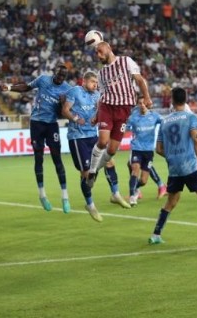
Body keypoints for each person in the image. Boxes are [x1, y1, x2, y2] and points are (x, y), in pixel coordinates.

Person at [148, 88, 197, 246]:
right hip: (190, 165)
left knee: (171, 201)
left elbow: (159, 149)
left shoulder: (164, 121)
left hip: (174, 168)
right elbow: (196, 140)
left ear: (172, 101)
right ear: (186, 99)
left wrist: (172, 157)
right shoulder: (191, 117)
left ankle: (156, 234)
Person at [0, 64, 72, 212]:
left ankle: (65, 197)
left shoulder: (67, 89)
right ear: (54, 73)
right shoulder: (43, 80)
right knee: (38, 158)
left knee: (57, 159)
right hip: (37, 123)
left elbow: (65, 111)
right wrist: (9, 87)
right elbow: (26, 87)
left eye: (63, 77)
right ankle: (42, 194)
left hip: (52, 124)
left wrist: (63, 105)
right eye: (58, 75)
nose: (60, 78)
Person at [61, 71, 127, 221]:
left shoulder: (98, 95)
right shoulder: (75, 91)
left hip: (93, 136)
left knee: (109, 161)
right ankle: (90, 205)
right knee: (85, 173)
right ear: (84, 82)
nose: (95, 85)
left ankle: (115, 194)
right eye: (92, 82)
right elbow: (65, 110)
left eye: (96, 83)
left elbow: (101, 110)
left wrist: (97, 117)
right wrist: (76, 118)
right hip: (78, 138)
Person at [86, 41, 152, 191]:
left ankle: (95, 170)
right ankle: (91, 172)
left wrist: (147, 97)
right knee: (103, 141)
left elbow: (140, 80)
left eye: (99, 50)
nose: (98, 54)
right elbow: (102, 95)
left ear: (108, 47)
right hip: (107, 107)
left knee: (112, 150)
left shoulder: (126, 61)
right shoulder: (101, 73)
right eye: (96, 53)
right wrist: (97, 114)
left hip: (123, 111)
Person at [125, 95, 167, 207]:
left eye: (144, 103)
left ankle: (136, 189)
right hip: (136, 149)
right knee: (135, 170)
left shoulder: (154, 116)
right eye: (140, 103)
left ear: (147, 104)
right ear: (138, 105)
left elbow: (165, 122)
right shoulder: (133, 118)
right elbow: (124, 128)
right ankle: (132, 196)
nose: (142, 105)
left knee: (143, 180)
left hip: (148, 151)